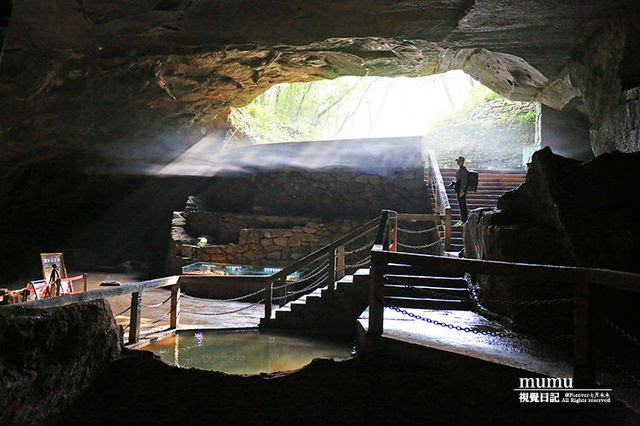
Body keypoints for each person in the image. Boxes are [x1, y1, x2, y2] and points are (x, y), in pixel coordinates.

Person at [449, 156, 469, 225]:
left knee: (463, 205)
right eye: (457, 161)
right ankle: (462, 220)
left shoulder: (463, 169)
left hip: (461, 190)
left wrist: (462, 190)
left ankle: (464, 220)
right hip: (458, 189)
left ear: (462, 162)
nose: (457, 162)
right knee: (461, 205)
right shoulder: (460, 169)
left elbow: (464, 180)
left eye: (459, 161)